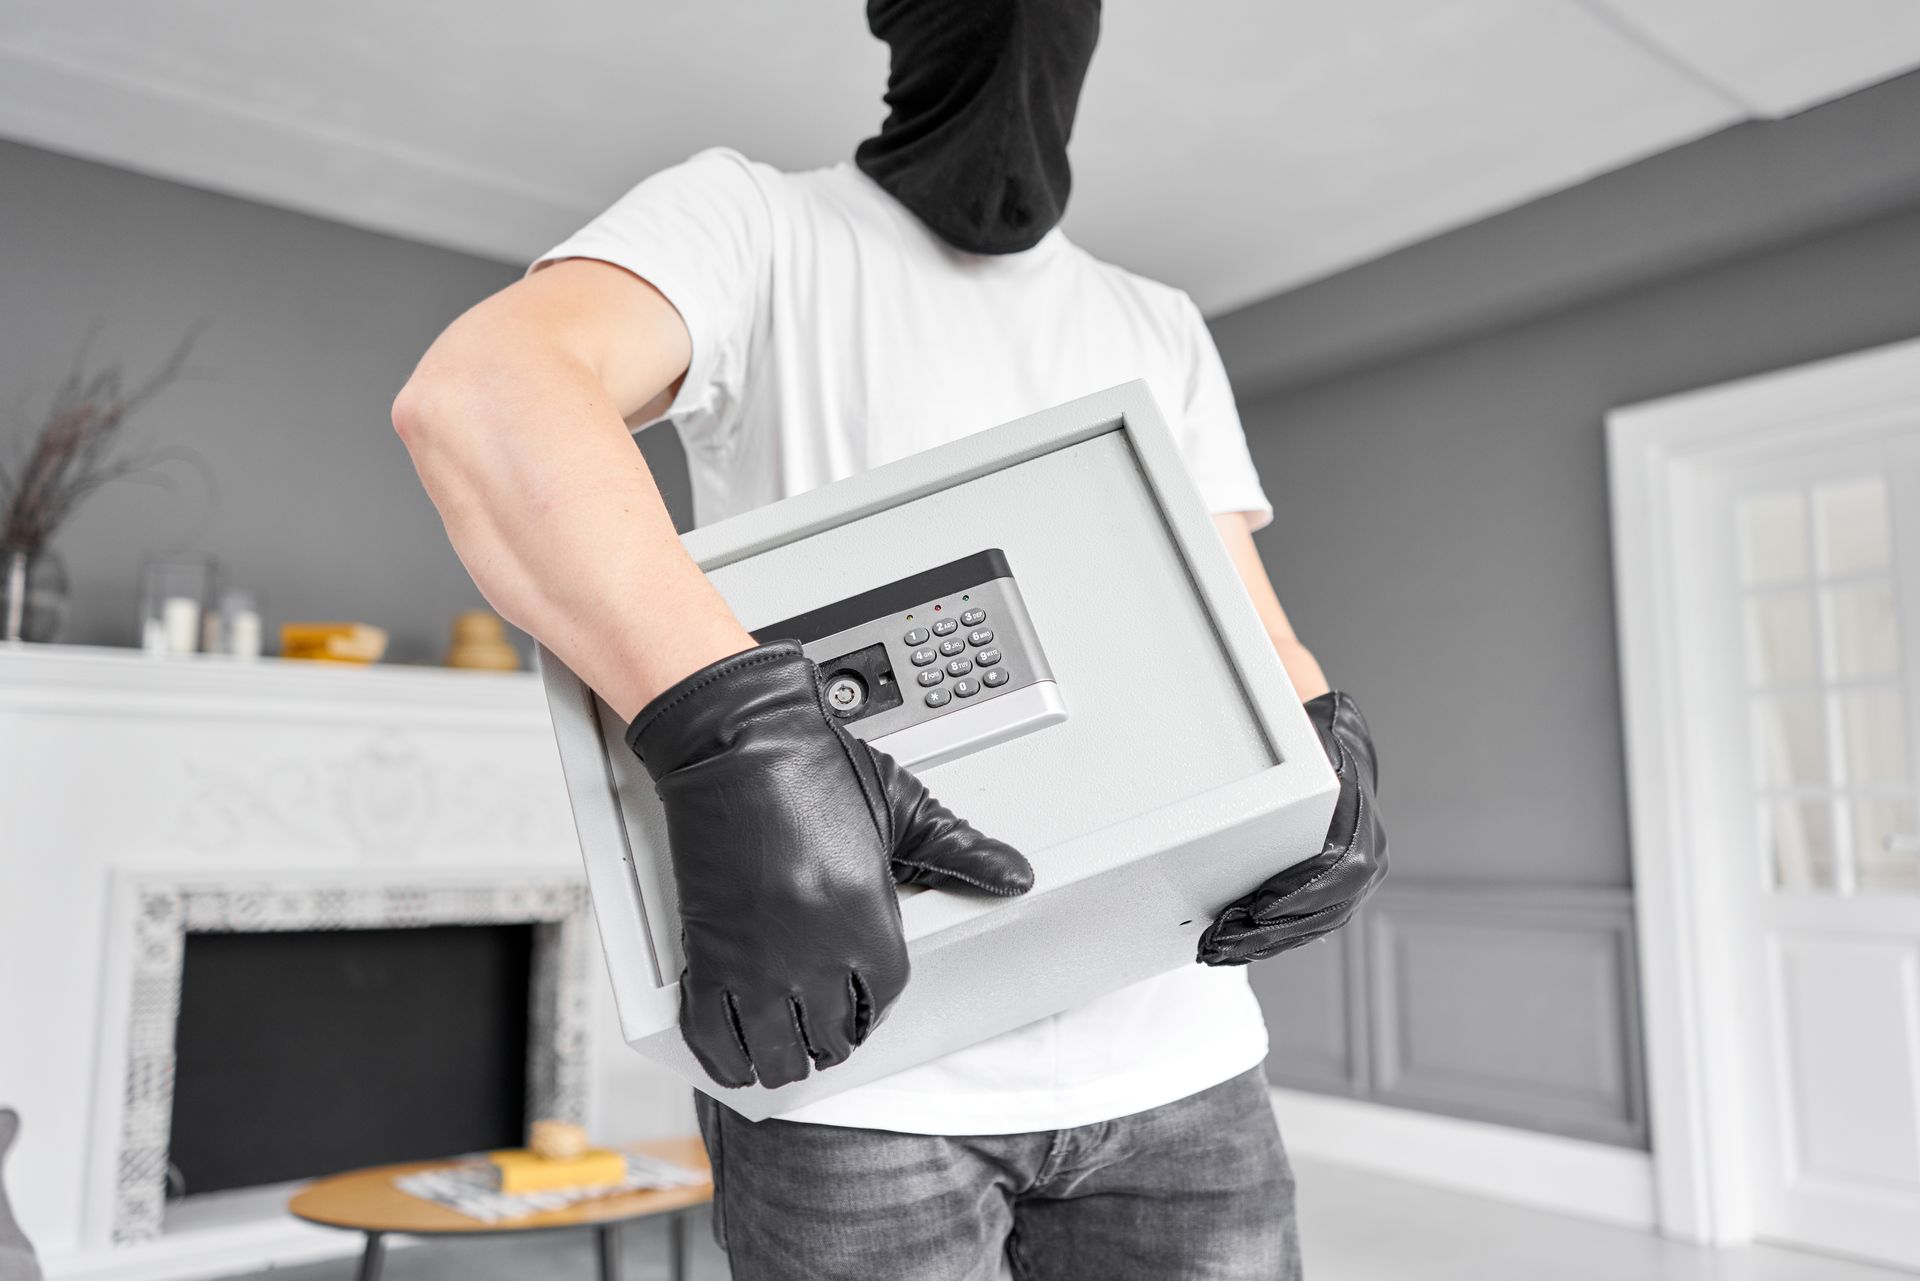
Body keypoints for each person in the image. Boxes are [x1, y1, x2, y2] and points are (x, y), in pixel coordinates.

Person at [395, 1, 1386, 1276]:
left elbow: (1257, 632)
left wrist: (1331, 759)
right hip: (858, 1082)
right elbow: (481, 396)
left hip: (1184, 1057)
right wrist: (733, 736)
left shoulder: (1157, 322)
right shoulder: (754, 225)